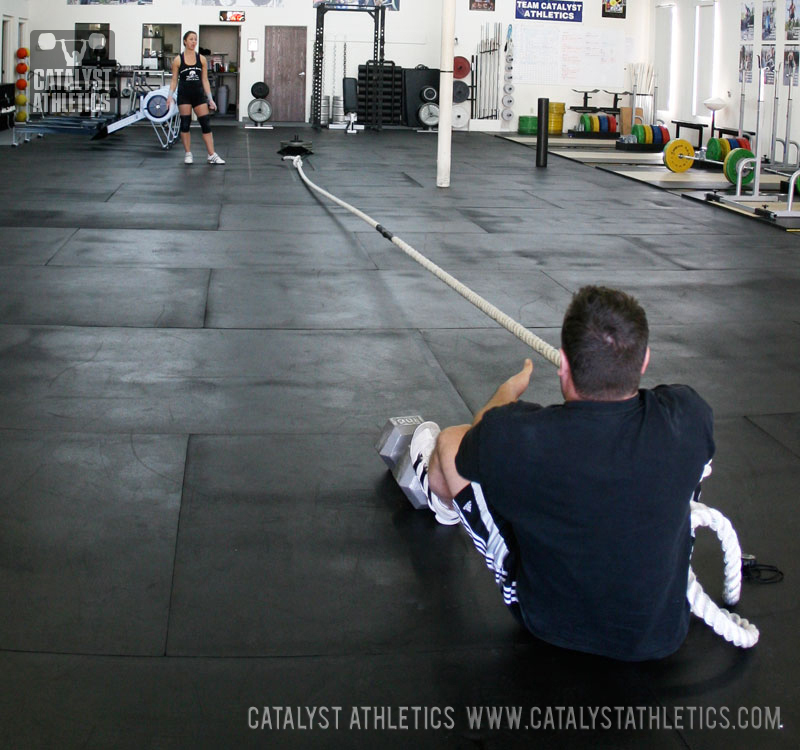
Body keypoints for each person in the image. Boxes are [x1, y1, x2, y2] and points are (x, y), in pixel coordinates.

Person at [409, 286, 715, 661]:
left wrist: (505, 393)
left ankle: (441, 501)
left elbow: (480, 437)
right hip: (662, 633)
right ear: (645, 360)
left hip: (549, 624)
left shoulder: (520, 434)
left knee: (450, 443)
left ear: (564, 363)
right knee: (691, 464)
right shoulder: (688, 415)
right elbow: (657, 405)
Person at [166, 31, 225, 165]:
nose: (194, 42)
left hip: (198, 96)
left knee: (205, 123)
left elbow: (205, 80)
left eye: (195, 39)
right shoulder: (178, 60)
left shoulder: (202, 59)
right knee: (185, 124)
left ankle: (211, 155)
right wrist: (169, 97)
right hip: (184, 96)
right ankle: (188, 153)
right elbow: (174, 80)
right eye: (191, 39)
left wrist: (210, 99)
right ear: (185, 41)